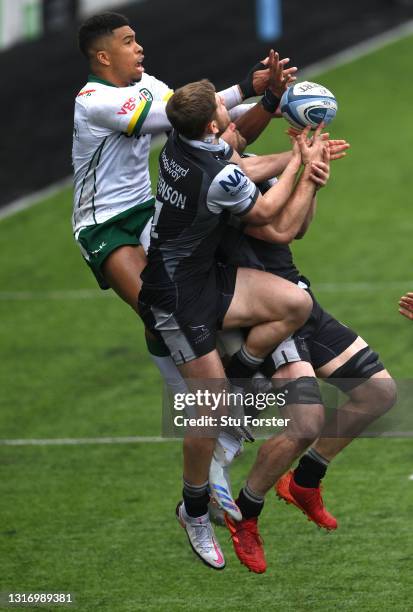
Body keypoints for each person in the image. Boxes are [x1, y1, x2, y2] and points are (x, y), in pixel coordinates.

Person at [138, 78, 326, 569]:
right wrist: (304, 166)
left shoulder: (180, 142)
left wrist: (293, 156)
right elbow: (269, 213)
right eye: (222, 108)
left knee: (294, 304)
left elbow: (241, 156)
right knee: (209, 408)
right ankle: (195, 512)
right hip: (176, 297)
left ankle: (240, 386)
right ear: (209, 125)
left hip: (206, 276)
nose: (228, 110)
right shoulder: (213, 173)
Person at [210, 139, 396, 574]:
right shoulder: (226, 181)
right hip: (267, 313)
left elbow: (299, 230)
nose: (233, 136)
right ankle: (246, 514)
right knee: (305, 422)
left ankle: (305, 481)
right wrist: (302, 170)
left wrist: (312, 181)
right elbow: (271, 230)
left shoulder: (268, 167)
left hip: (297, 297)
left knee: (378, 393)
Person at [72, 11, 297, 313]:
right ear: (103, 57)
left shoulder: (145, 83)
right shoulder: (94, 102)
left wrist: (273, 103)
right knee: (157, 310)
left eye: (136, 39)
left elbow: (198, 116)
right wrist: (246, 89)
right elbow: (187, 115)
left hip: (146, 207)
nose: (139, 47)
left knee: (182, 302)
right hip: (104, 223)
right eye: (128, 42)